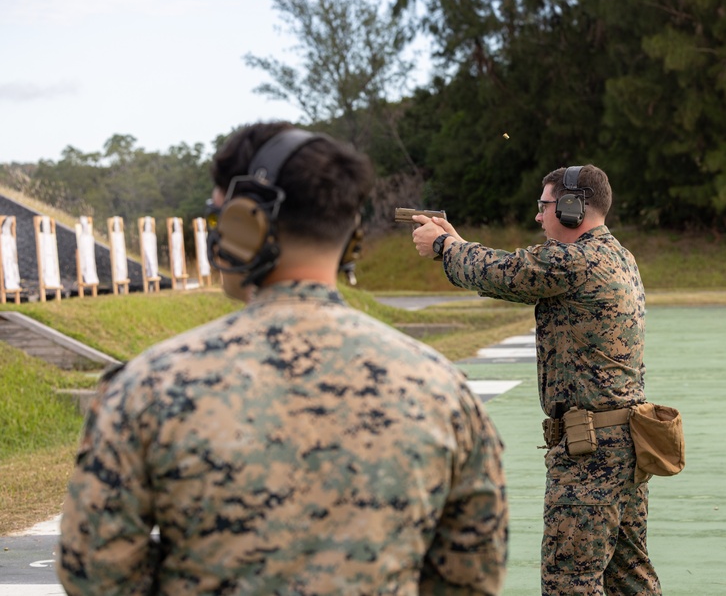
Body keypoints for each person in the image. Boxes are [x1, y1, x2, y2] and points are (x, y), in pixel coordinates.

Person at [57, 123, 508, 595]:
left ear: (244, 224)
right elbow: (472, 577)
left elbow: (95, 573)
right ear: (350, 236)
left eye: (219, 218)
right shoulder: (442, 390)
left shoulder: (148, 386)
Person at [411, 165, 660, 595]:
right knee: (629, 580)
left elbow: (505, 272)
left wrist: (444, 247)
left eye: (544, 206)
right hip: (623, 444)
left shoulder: (575, 258)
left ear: (571, 207)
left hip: (591, 451)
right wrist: (454, 242)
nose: (539, 217)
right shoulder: (617, 254)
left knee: (570, 583)